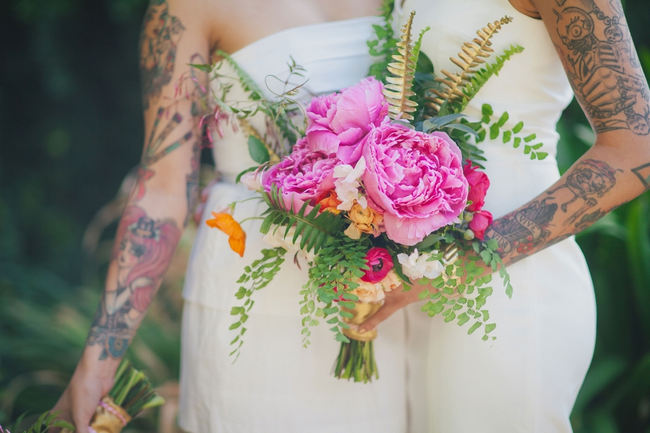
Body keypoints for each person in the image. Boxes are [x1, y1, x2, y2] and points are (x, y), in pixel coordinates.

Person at [53, 0, 650, 432]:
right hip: (257, 293)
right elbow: (162, 188)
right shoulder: (185, 8)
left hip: (391, 297)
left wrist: (439, 258)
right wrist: (99, 357)